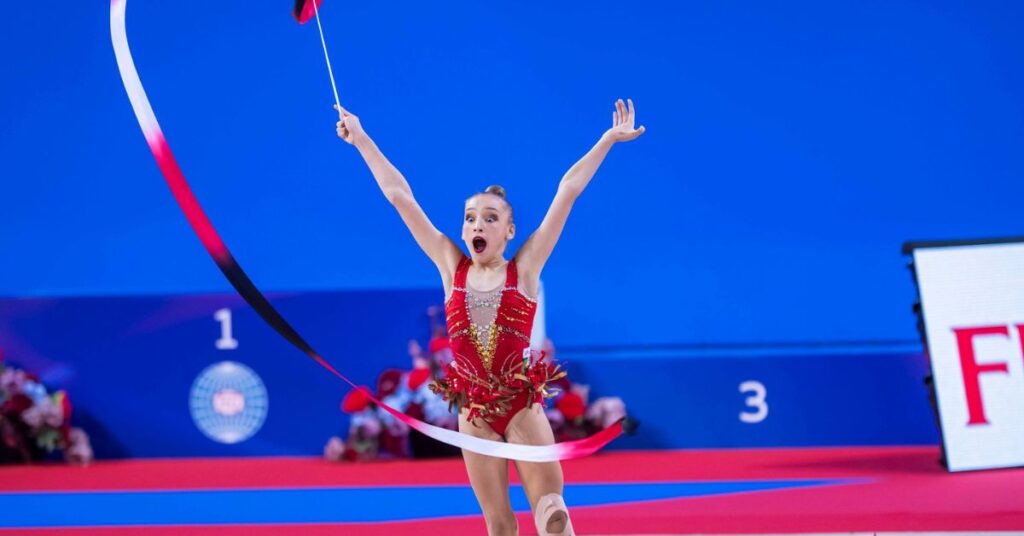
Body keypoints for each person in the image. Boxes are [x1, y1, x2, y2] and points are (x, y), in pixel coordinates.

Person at [334, 98, 644, 536]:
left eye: (489, 218)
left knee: (552, 514)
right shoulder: (450, 267)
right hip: (473, 412)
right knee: (499, 526)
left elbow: (567, 190)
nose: (477, 225)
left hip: (521, 405)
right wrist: (362, 139)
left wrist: (608, 140)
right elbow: (399, 197)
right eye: (470, 218)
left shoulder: (527, 268)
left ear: (509, 231)